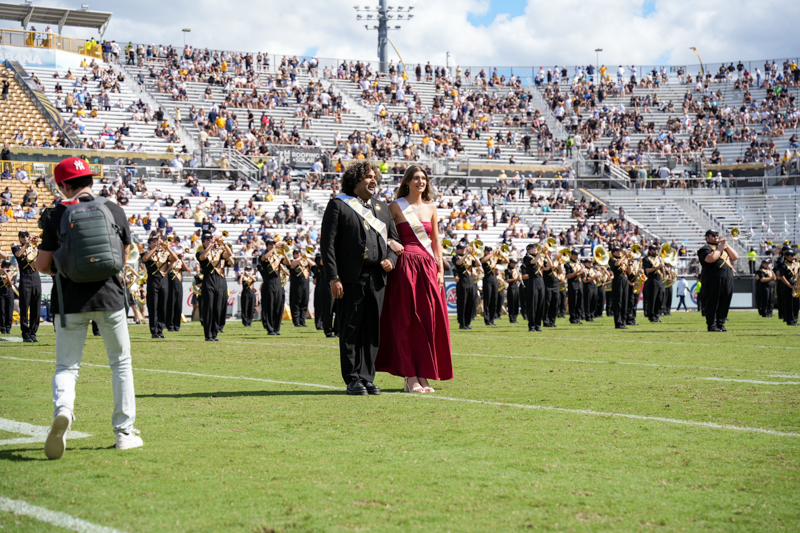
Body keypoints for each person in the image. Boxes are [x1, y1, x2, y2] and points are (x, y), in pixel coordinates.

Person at [35, 157, 142, 459]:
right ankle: (124, 433)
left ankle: (64, 410)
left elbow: (43, 265)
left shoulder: (55, 214)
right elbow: (121, 257)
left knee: (67, 366)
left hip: (69, 302)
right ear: (90, 182)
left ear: (62, 184)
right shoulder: (113, 208)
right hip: (110, 298)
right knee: (120, 364)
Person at [320, 161, 399, 396]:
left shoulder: (383, 208)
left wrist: (391, 260)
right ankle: (353, 378)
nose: (373, 180)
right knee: (350, 329)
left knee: (372, 331)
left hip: (377, 278)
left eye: (375, 177)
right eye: (368, 177)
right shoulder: (338, 205)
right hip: (351, 278)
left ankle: (367, 377)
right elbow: (328, 245)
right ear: (355, 180)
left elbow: (394, 243)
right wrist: (333, 277)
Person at [376, 165, 452, 393]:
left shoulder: (431, 207)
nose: (420, 182)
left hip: (429, 268)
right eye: (416, 178)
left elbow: (436, 241)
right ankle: (410, 376)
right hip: (405, 267)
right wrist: (391, 242)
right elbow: (381, 232)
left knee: (428, 322)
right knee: (407, 321)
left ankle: (425, 374)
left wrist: (440, 270)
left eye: (424, 178)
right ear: (407, 181)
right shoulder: (395, 206)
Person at [697, 230, 738, 332]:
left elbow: (735, 257)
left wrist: (726, 247)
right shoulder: (705, 249)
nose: (716, 237)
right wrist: (720, 248)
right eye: (713, 235)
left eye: (717, 235)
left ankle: (721, 324)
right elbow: (711, 258)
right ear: (707, 237)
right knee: (713, 302)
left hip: (727, 278)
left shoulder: (722, 249)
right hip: (713, 279)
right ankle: (712, 325)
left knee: (725, 301)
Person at [197, 233, 232, 341]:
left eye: (210, 239)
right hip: (208, 281)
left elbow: (229, 254)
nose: (210, 240)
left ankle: (215, 333)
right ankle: (208, 335)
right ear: (203, 242)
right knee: (209, 309)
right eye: (207, 239)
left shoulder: (219, 252)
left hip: (218, 281)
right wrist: (211, 245)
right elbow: (203, 257)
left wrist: (224, 243)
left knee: (217, 309)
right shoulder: (200, 252)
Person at [142, 236, 177, 339]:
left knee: (163, 306)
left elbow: (175, 258)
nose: (156, 242)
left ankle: (160, 330)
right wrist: (156, 248)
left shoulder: (165, 254)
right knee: (153, 306)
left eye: (157, 241)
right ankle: (154, 331)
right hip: (153, 281)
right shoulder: (146, 253)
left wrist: (168, 248)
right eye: (154, 241)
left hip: (164, 281)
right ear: (150, 244)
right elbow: (145, 258)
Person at [11, 231, 42, 342]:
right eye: (23, 236)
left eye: (27, 236)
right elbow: (18, 255)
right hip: (25, 279)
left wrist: (36, 244)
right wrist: (27, 244)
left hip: (36, 278)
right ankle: (26, 334)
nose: (25, 237)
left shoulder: (35, 247)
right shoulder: (16, 247)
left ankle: (33, 333)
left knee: (36, 307)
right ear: (19, 238)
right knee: (24, 307)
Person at [258, 238, 288, 335]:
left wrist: (284, 252)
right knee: (269, 306)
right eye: (271, 244)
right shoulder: (264, 256)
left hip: (278, 284)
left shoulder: (278, 256)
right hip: (268, 283)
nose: (273, 245)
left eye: (274, 244)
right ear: (267, 246)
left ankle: (276, 328)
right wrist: (273, 249)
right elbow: (264, 258)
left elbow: (288, 263)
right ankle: (270, 328)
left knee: (278, 306)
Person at [452, 242, 476, 329]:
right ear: (457, 250)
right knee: (462, 303)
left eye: (464, 249)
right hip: (462, 282)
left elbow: (479, 264)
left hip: (470, 282)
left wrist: (473, 255)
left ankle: (467, 322)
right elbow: (458, 262)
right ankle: (462, 323)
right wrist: (466, 254)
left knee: (470, 302)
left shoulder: (469, 258)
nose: (463, 250)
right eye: (462, 249)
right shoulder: (455, 257)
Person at [481, 246, 507, 326]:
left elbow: (507, 261)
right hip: (487, 278)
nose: (489, 252)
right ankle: (487, 320)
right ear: (485, 251)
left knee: (494, 299)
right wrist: (492, 253)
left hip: (494, 279)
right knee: (487, 299)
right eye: (488, 251)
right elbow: (483, 260)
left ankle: (492, 319)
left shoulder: (494, 259)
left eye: (490, 250)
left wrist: (501, 254)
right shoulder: (484, 258)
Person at [288, 248, 314, 327]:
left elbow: (313, 265)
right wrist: (300, 257)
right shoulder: (292, 261)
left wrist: (306, 257)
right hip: (296, 285)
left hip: (305, 284)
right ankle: (296, 321)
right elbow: (292, 265)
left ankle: (302, 321)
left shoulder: (305, 262)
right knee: (295, 303)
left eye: (299, 253)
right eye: (297, 253)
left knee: (304, 303)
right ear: (294, 255)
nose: (299, 254)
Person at [165, 253, 189, 332]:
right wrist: (173, 261)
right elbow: (167, 270)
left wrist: (181, 259)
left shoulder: (180, 262)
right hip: (171, 284)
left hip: (179, 284)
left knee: (178, 305)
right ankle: (170, 325)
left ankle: (177, 325)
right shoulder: (169, 262)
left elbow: (187, 269)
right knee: (171, 305)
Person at [523, 244, 545, 332]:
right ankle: (531, 325)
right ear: (528, 250)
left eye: (535, 248)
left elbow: (547, 266)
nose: (535, 249)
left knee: (541, 303)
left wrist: (545, 254)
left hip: (540, 280)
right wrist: (540, 252)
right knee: (533, 303)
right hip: (533, 280)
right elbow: (534, 261)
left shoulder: (539, 257)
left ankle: (538, 324)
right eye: (533, 248)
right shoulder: (527, 257)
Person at [642, 244, 665, 322]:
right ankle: (651, 316)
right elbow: (647, 270)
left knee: (660, 298)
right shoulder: (646, 259)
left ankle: (657, 315)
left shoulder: (659, 258)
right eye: (654, 250)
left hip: (659, 279)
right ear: (650, 251)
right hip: (652, 280)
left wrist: (662, 266)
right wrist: (657, 267)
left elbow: (663, 272)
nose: (656, 251)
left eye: (656, 249)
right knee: (652, 299)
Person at [608, 246, 630, 328]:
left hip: (624, 279)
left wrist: (629, 262)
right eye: (617, 251)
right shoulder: (611, 259)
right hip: (617, 280)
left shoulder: (623, 260)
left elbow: (629, 272)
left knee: (624, 301)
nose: (619, 252)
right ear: (613, 253)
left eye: (620, 251)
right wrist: (624, 256)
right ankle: (618, 322)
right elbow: (616, 264)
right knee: (618, 302)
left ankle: (623, 322)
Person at [776, 250, 798, 326]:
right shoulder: (784, 265)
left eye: (793, 255)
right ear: (787, 256)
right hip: (787, 286)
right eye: (791, 255)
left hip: (796, 285)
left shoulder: (796, 264)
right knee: (789, 303)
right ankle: (790, 320)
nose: (793, 257)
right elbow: (782, 277)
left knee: (796, 303)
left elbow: (797, 274)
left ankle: (795, 319)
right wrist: (790, 285)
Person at [564, 249, 584, 324]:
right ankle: (573, 318)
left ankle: (578, 318)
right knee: (573, 301)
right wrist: (577, 272)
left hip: (579, 283)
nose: (576, 256)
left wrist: (582, 272)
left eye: (577, 255)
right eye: (575, 255)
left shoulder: (579, 263)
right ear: (571, 255)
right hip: (572, 284)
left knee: (579, 301)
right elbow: (568, 276)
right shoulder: (568, 264)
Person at [0, 260, 16, 333]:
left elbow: (10, 284)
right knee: (2, 312)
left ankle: (8, 328)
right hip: (1, 293)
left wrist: (6, 274)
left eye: (9, 265)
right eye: (7, 265)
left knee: (9, 311)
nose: (9, 267)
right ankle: (2, 328)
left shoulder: (12, 273)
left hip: (9, 293)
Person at [504, 258, 522, 323]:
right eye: (513, 263)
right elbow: (507, 280)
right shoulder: (507, 270)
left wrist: (519, 279)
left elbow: (518, 279)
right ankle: (512, 318)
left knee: (516, 302)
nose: (514, 264)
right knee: (511, 303)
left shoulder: (516, 270)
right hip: (511, 287)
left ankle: (515, 317)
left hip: (516, 286)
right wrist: (515, 279)